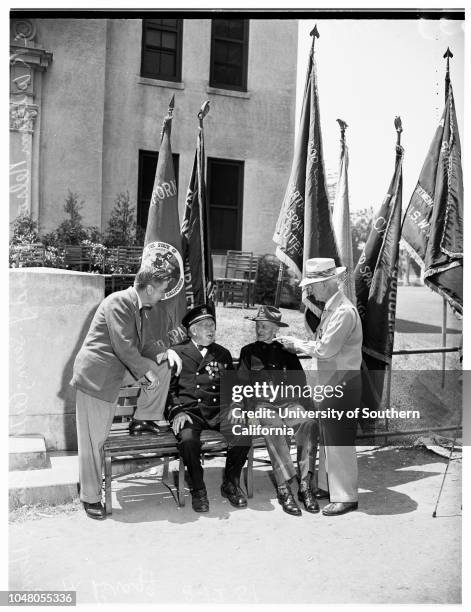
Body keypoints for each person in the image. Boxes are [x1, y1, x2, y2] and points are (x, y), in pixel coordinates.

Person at [70, 263, 182, 520]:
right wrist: (146, 372)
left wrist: (166, 353)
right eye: (162, 290)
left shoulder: (136, 306)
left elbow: (141, 347)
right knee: (93, 442)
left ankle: (142, 420)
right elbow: (124, 347)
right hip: (96, 378)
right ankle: (90, 497)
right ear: (150, 288)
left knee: (164, 366)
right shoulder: (119, 302)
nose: (163, 295)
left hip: (116, 373)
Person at [278, 258, 362, 516]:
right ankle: (329, 487)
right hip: (330, 383)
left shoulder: (343, 312)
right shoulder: (331, 308)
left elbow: (325, 349)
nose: (309, 291)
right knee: (329, 439)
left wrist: (296, 344)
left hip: (342, 384)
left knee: (339, 441)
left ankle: (346, 496)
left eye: (312, 285)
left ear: (326, 283)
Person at [166, 304, 252, 513]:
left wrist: (236, 406)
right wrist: (176, 411)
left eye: (212, 324)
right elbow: (168, 390)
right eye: (205, 325)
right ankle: (198, 489)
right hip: (190, 412)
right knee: (188, 441)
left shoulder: (222, 353)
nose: (210, 329)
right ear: (193, 330)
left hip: (218, 411)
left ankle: (230, 483)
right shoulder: (178, 353)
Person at [237, 305, 319, 516]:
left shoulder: (287, 352)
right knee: (274, 429)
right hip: (263, 405)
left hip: (288, 403)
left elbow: (300, 382)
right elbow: (242, 386)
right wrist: (249, 413)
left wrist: (308, 409)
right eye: (258, 326)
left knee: (308, 424)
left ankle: (304, 486)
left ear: (275, 330)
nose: (260, 330)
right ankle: (284, 489)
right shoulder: (248, 352)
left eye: (265, 326)